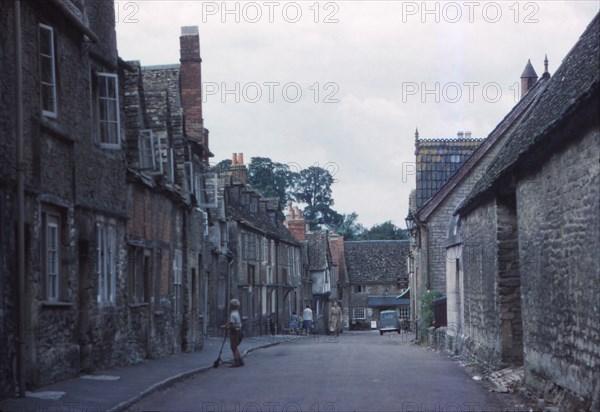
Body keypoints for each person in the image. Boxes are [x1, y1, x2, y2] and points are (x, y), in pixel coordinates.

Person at [224, 299, 244, 367]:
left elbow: (232, 325)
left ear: (231, 306)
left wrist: (227, 327)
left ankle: (236, 362)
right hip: (239, 330)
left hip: (235, 332)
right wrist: (227, 324)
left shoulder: (232, 314)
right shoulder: (237, 312)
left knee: (233, 347)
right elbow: (233, 323)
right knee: (235, 347)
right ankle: (240, 360)